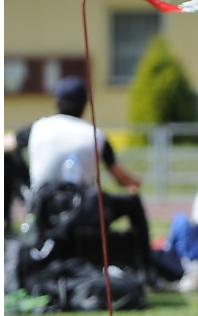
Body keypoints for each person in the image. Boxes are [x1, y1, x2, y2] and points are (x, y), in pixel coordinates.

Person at [3, 76, 155, 276]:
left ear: (56, 101)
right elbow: (120, 178)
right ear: (85, 104)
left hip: (43, 207)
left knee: (7, 160)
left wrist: (23, 179)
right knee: (132, 203)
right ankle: (147, 267)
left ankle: (6, 224)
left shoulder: (37, 128)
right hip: (84, 211)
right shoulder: (96, 135)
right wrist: (135, 182)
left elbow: (5, 146)